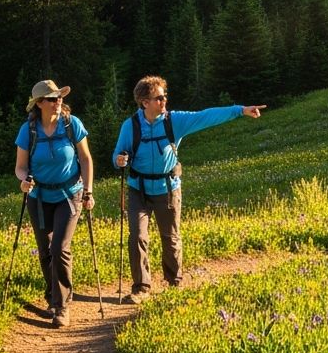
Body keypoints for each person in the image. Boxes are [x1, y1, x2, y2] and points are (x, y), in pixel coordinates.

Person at [113, 76, 266, 303]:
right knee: (137, 236)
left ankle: (174, 283)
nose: (164, 100)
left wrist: (240, 110)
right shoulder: (130, 126)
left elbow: (206, 116)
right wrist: (119, 160)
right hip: (139, 190)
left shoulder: (174, 121)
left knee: (170, 237)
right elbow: (117, 155)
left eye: (165, 96)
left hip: (167, 189)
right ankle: (141, 288)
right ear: (145, 102)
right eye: (159, 97)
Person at [14, 79, 95, 328]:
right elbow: (20, 167)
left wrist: (88, 191)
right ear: (39, 104)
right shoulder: (28, 131)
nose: (58, 101)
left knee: (60, 248)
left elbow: (85, 158)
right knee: (46, 251)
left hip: (69, 195)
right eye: (52, 98)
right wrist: (23, 181)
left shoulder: (72, 124)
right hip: (39, 198)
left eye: (59, 97)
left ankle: (61, 306)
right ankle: (53, 295)